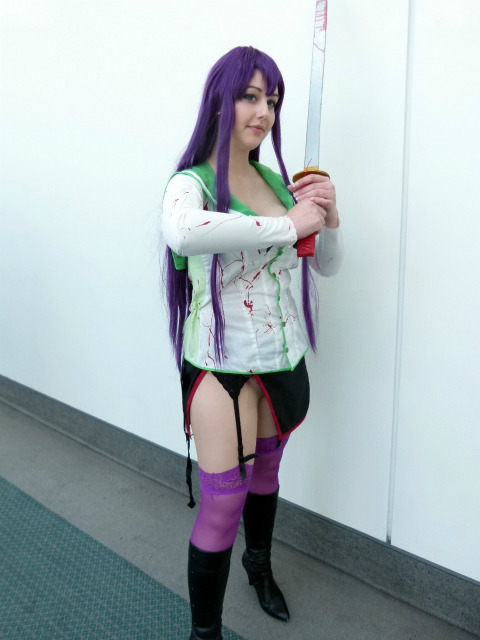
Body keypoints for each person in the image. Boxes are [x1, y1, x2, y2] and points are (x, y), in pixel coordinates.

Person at [162, 46, 343, 640]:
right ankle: (205, 633)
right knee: (223, 503)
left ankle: (258, 566)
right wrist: (290, 224)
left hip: (282, 362)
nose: (264, 111)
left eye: (273, 100)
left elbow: (325, 266)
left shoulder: (275, 182)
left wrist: (327, 217)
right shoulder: (190, 184)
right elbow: (182, 233)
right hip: (221, 367)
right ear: (221, 100)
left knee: (266, 477)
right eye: (250, 96)